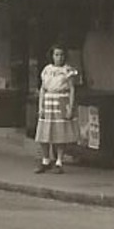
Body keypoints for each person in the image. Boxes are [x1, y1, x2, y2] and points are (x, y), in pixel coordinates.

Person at [35, 45, 80, 174]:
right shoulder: (47, 70)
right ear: (52, 56)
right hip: (48, 101)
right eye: (56, 55)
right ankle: (45, 160)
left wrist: (70, 107)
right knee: (44, 132)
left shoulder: (68, 70)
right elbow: (43, 89)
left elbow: (72, 89)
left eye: (61, 55)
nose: (59, 57)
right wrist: (40, 106)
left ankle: (59, 161)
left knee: (60, 132)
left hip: (61, 101)